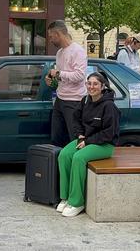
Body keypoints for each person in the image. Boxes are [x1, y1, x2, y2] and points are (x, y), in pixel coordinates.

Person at [56, 72, 120, 217]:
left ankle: (77, 202)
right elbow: (76, 120)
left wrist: (87, 141)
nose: (91, 87)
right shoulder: (85, 100)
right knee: (64, 154)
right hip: (85, 140)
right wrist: (80, 135)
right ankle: (65, 197)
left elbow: (109, 134)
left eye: (95, 84)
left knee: (79, 158)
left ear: (103, 86)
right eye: (89, 83)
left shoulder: (109, 106)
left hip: (104, 145)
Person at [45, 20, 87, 148]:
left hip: (74, 101)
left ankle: (75, 166)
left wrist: (58, 74)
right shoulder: (59, 52)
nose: (50, 40)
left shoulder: (78, 51)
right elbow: (62, 76)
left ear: (58, 34)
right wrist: (52, 80)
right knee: (57, 138)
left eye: (51, 37)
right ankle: (58, 166)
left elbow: (80, 76)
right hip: (60, 99)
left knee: (74, 140)